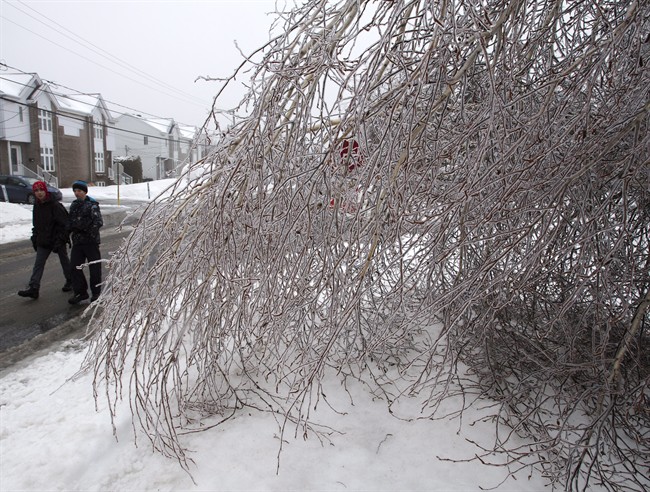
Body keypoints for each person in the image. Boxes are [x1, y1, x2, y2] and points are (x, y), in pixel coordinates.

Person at [17, 181, 72, 299]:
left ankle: (71, 281)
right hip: (44, 240)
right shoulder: (37, 206)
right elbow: (36, 225)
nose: (39, 193)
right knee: (38, 264)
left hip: (57, 239)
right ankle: (34, 288)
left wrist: (61, 239)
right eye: (36, 191)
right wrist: (35, 238)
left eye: (41, 190)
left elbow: (65, 224)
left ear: (45, 191)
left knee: (64, 261)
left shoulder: (55, 205)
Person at [67, 180, 103, 304]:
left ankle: (96, 293)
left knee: (94, 268)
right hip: (77, 243)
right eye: (75, 191)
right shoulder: (74, 205)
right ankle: (81, 292)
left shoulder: (92, 205)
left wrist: (85, 230)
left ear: (85, 192)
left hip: (90, 242)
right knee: (75, 267)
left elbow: (98, 222)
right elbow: (70, 221)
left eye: (79, 191)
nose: (77, 193)